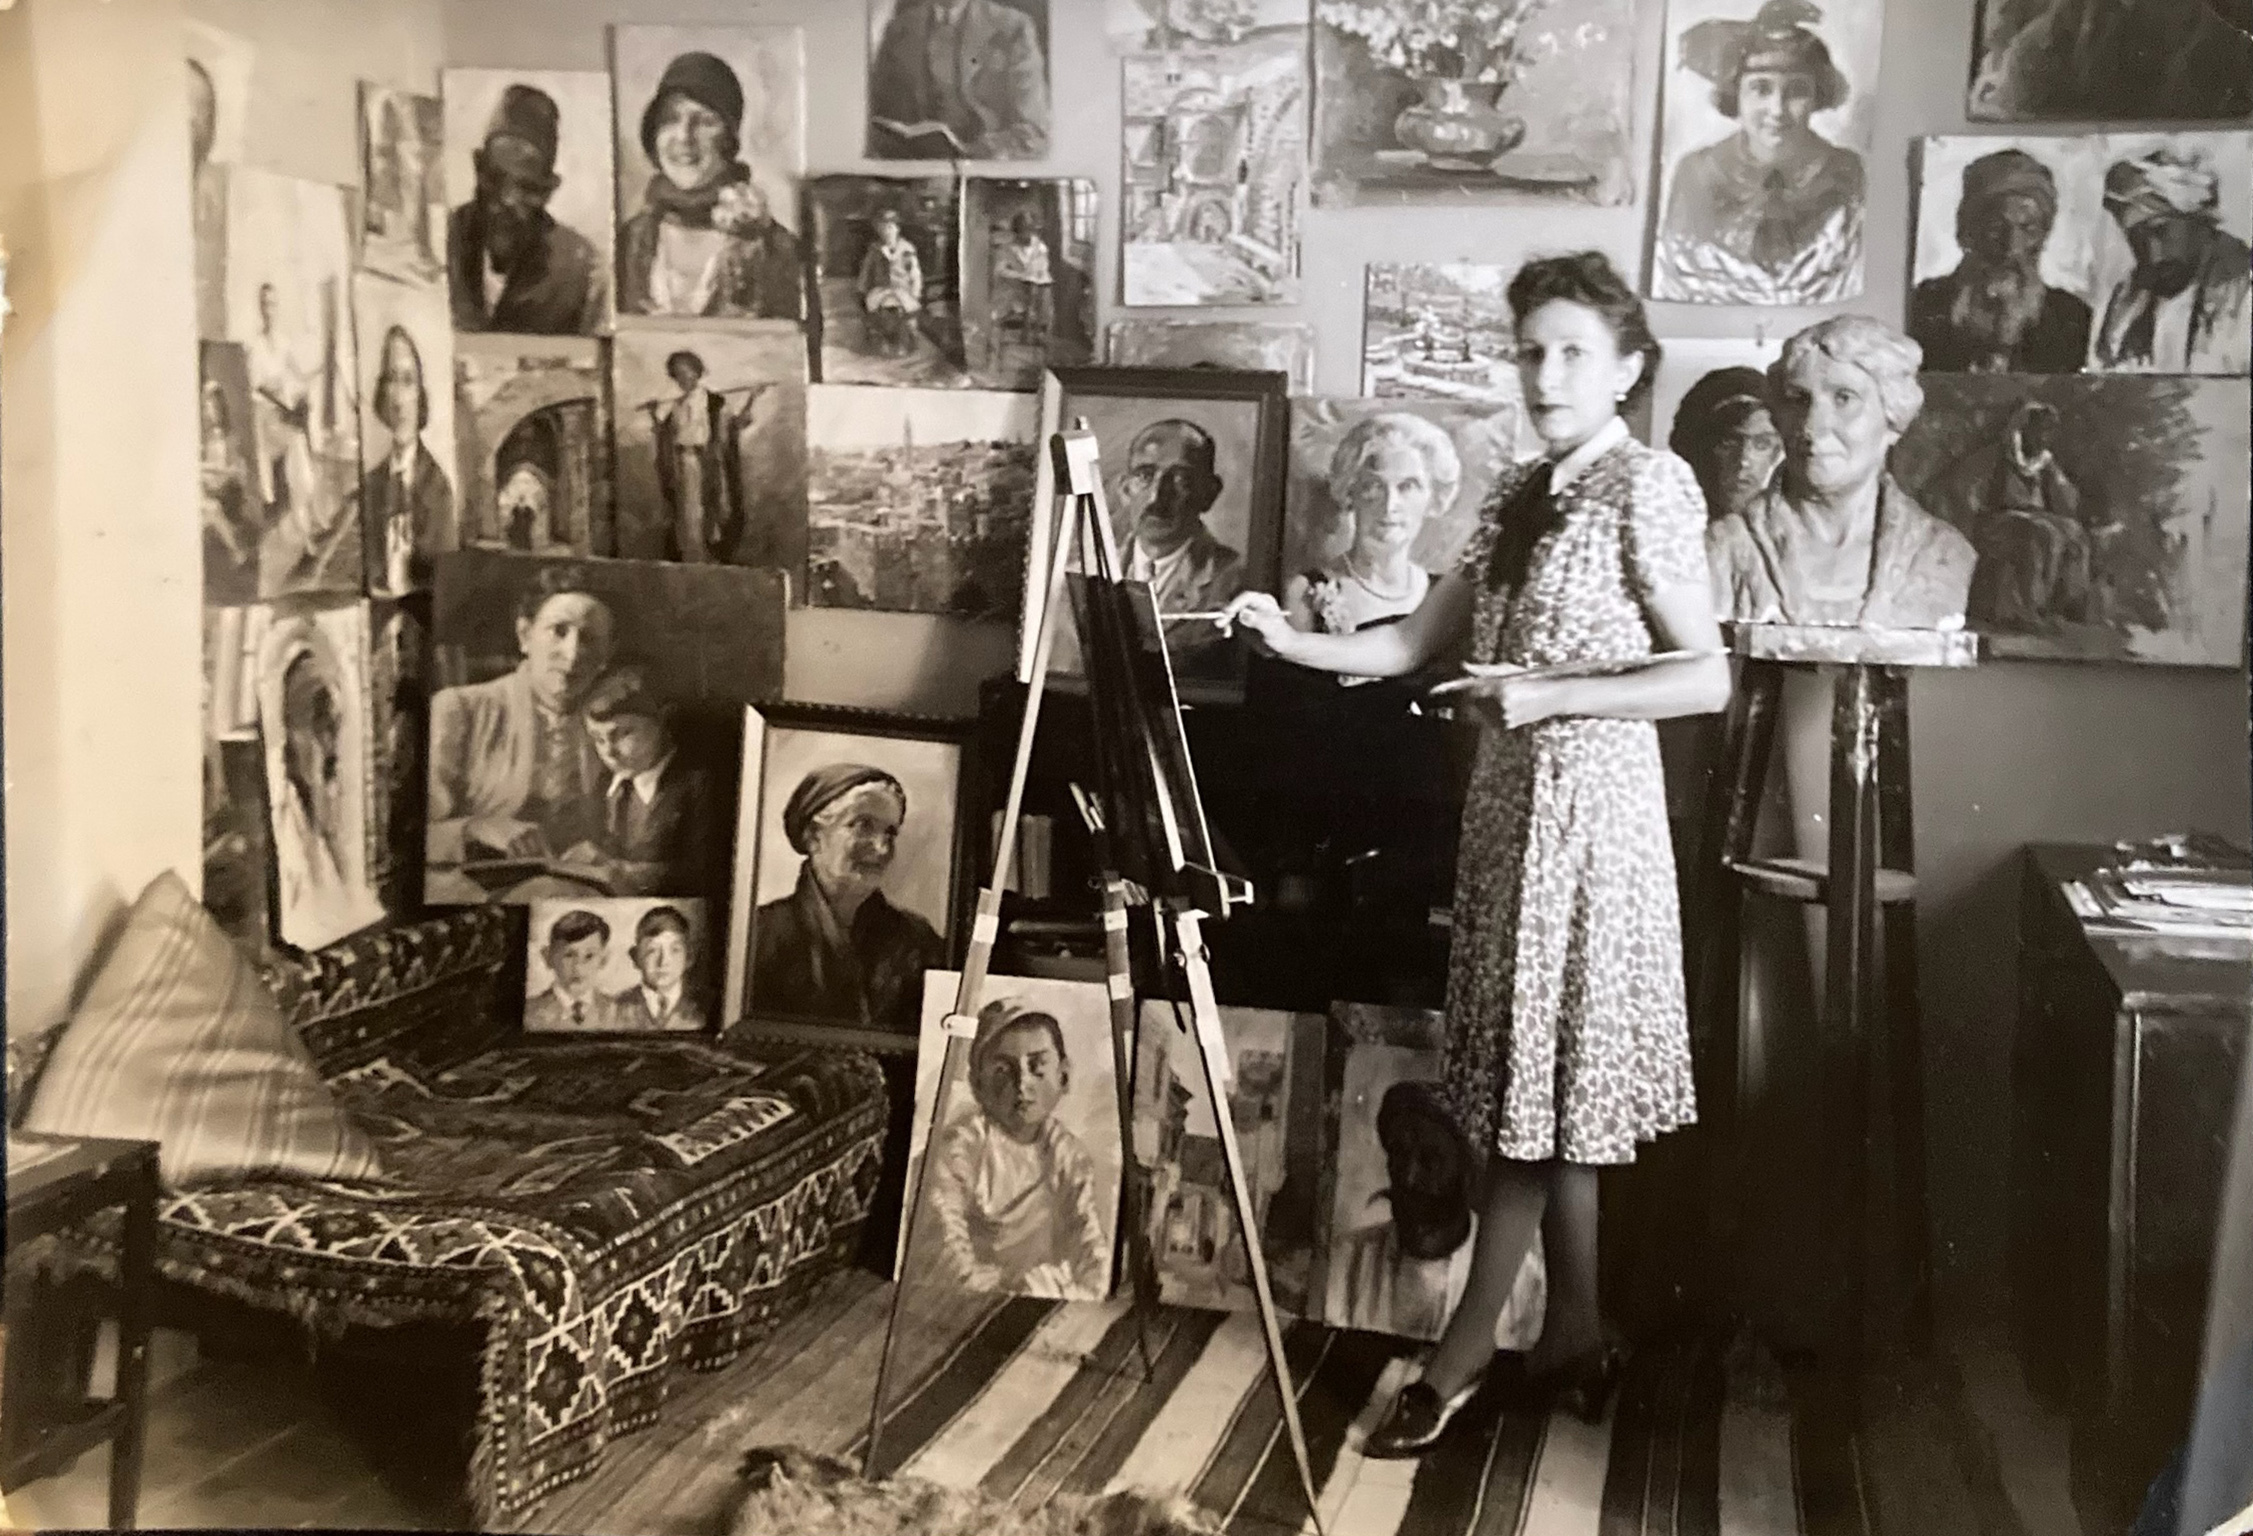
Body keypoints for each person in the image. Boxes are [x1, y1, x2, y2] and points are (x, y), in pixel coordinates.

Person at [1222, 251, 1731, 1457]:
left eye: (1572, 353)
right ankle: (1579, 1338)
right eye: (1531, 350)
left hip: (1593, 825)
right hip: (1509, 825)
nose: (1547, 374)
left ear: (1628, 369)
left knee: (1532, 1107)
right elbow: (1408, 651)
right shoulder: (1512, 491)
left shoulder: (1648, 486)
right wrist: (1288, 642)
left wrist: (1545, 696)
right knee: (1546, 1086)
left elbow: (1705, 676)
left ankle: (1455, 1364)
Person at [1707, 316, 1977, 628]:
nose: (1812, 427)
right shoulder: (1725, 548)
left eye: (1843, 398)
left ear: (1893, 418)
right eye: (1798, 400)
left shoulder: (1941, 554)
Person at [1657, 0, 1865, 305]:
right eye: (1761, 89)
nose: (1777, 110)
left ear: (1818, 96)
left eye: (1796, 91)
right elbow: (1676, 278)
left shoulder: (1846, 172)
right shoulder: (1697, 172)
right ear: (1735, 96)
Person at [425, 565, 614, 899]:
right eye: (559, 631)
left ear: (604, 656)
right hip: (465, 889)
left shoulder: (609, 726)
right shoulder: (459, 710)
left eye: (590, 639)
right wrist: (476, 828)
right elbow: (405, 841)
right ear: (525, 635)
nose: (573, 654)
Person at [920, 1000, 1111, 1298]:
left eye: (1037, 1067)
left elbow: (1090, 1246)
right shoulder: (960, 1149)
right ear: (977, 1083)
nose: (1022, 1084)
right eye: (1003, 1070)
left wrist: (1078, 1290)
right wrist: (1005, 1289)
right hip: (972, 1299)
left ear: (1063, 1076)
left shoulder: (1068, 1155)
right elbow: (944, 1251)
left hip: (1045, 1296)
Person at [1333, 1081, 1544, 1343]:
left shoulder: (1520, 1283)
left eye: (1430, 1160)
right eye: (1399, 1154)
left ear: (1465, 1170)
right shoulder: (1347, 1262)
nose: (1408, 1178)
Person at [749, 764, 946, 1033]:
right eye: (863, 826)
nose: (881, 847)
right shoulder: (759, 935)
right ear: (814, 836)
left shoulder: (918, 941)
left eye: (890, 832)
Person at [618, 51, 804, 320]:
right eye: (670, 119)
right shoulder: (629, 243)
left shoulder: (777, 249)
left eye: (705, 121)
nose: (684, 137)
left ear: (729, 140)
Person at [1908, 148, 2092, 374]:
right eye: (1996, 228)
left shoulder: (2073, 319)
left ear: (2044, 235)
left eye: (2028, 229)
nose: (2012, 248)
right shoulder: (1924, 306)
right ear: (1968, 230)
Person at [448, 82, 608, 335]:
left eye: (526, 188)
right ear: (478, 169)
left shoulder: (583, 269)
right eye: (495, 179)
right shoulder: (440, 240)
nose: (507, 200)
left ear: (546, 192)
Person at [1286, 413, 1460, 642]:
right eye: (1373, 486)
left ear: (1434, 496)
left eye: (1407, 486)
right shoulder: (1306, 593)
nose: (1390, 505)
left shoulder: (1446, 596)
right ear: (1350, 491)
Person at [1938, 399, 2105, 631]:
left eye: (2048, 432)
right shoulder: (1999, 454)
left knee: (2073, 531)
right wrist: (1970, 508)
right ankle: (2028, 610)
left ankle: (2064, 606)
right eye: (2041, 430)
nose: (2045, 438)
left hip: (2032, 517)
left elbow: (2066, 501)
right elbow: (1963, 485)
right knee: (2040, 533)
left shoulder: (2043, 461)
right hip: (1996, 521)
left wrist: (2059, 482)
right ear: (2025, 429)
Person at [554, 664, 716, 896]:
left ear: (664, 722)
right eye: (598, 739)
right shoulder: (607, 786)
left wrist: (617, 869)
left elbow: (703, 873)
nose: (609, 752)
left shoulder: (696, 785)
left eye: (624, 733)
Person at [2091, 148, 2251, 376]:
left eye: (2161, 232)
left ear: (2196, 223)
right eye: (2137, 239)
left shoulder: (2243, 287)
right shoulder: (2127, 297)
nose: (2151, 252)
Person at [272, 645, 384, 950]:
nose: (329, 745)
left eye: (332, 729)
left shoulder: (331, 800)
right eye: (319, 728)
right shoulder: (286, 818)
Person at [1117, 418, 1245, 665]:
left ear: (1209, 493)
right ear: (1125, 489)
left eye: (1180, 479)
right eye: (1145, 475)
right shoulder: (1084, 569)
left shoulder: (1234, 578)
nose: (1157, 496)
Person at [868, 0, 1051, 160]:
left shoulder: (1013, 28)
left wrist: (973, 152)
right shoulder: (900, 29)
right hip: (917, 175)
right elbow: (879, 118)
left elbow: (1034, 132)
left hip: (991, 180)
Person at [361, 325, 455, 596]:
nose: (399, 400)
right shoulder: (372, 484)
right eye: (391, 380)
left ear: (420, 394)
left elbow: (445, 585)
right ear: (381, 393)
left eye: (408, 380)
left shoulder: (438, 487)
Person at [641, 350, 755, 562]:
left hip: (709, 462)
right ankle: (692, 556)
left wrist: (752, 400)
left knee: (712, 509)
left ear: (697, 372)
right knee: (687, 512)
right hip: (683, 463)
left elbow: (735, 426)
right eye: (677, 375)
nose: (683, 379)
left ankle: (712, 555)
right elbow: (666, 436)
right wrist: (653, 414)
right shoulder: (676, 406)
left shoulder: (714, 402)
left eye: (687, 373)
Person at [1667, 365, 1783, 524]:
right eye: (1728, 442)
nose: (1743, 460)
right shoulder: (1665, 525)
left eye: (1762, 444)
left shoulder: (1783, 533)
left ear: (1776, 452)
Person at [199, 367, 258, 605]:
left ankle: (237, 550)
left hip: (225, 491)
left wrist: (213, 473)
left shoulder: (230, 439)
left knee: (212, 507)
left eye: (214, 406)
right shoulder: (205, 440)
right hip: (208, 488)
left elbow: (236, 472)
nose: (210, 411)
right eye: (206, 406)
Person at [610, 905, 707, 1032]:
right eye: (652, 950)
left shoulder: (702, 1007)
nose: (663, 962)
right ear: (635, 957)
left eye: (675, 950)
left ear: (689, 956)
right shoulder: (616, 1008)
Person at [526, 909, 621, 1032]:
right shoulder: (530, 1011)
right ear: (548, 957)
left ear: (604, 959)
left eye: (589, 956)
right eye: (569, 955)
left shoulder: (617, 1011)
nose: (578, 967)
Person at [857, 209, 925, 358]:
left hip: (902, 290)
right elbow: (866, 271)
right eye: (883, 228)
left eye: (890, 227)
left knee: (902, 311)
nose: (887, 232)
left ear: (897, 229)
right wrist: (862, 290)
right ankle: (884, 339)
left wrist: (915, 292)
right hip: (881, 289)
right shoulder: (875, 250)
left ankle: (902, 341)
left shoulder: (907, 249)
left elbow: (914, 273)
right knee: (880, 309)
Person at [994, 209, 1054, 340]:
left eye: (1029, 230)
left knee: (1040, 291)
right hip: (1014, 289)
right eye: (1022, 231)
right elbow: (1000, 271)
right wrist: (1020, 275)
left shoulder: (1040, 247)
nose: (1026, 234)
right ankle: (1026, 328)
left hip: (1037, 288)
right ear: (1016, 231)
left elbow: (1043, 269)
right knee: (1026, 293)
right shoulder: (1008, 248)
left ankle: (1035, 329)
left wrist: (1033, 275)